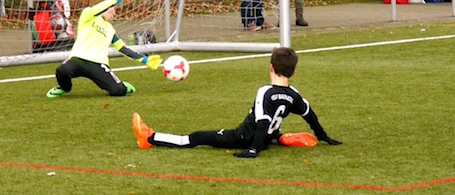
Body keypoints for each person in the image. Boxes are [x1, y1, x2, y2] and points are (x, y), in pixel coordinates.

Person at [131, 47, 342, 158]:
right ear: (293, 73)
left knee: (197, 137)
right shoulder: (293, 94)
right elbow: (309, 115)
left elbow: (261, 122)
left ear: (270, 67)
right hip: (266, 137)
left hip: (244, 138)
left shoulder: (265, 92)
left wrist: (253, 150)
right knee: (271, 132)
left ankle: (150, 138)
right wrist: (323, 136)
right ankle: (279, 138)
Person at [46, 0, 162, 98]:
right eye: (113, 8)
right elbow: (98, 8)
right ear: (105, 7)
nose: (115, 13)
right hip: (77, 60)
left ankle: (121, 85)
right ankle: (65, 88)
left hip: (98, 64)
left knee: (118, 91)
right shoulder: (87, 15)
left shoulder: (110, 30)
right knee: (61, 71)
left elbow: (123, 48)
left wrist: (145, 59)